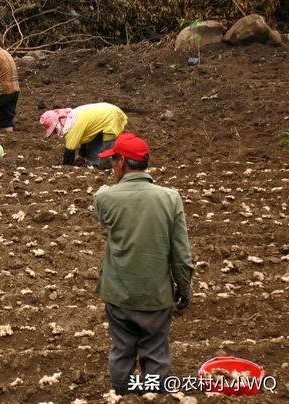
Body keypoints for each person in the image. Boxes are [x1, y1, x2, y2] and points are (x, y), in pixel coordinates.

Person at [93, 132, 194, 395]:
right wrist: (184, 290)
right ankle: (152, 395)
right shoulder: (171, 198)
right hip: (156, 296)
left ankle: (122, 395)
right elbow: (181, 255)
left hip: (119, 294)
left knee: (122, 349)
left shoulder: (106, 198)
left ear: (122, 162)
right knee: (155, 350)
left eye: (113, 160)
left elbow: (101, 199)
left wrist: (110, 185)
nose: (112, 165)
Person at [39, 102, 128, 167]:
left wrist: (66, 168)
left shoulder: (72, 128)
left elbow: (69, 152)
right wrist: (82, 156)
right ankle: (94, 164)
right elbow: (86, 138)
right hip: (106, 112)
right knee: (92, 142)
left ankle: (111, 167)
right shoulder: (72, 116)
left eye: (54, 129)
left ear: (58, 123)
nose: (55, 132)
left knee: (107, 150)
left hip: (111, 117)